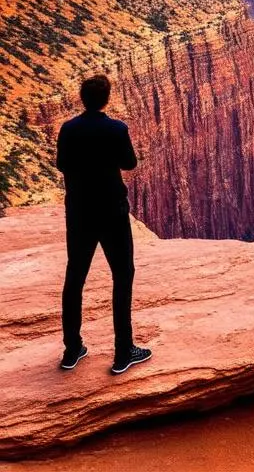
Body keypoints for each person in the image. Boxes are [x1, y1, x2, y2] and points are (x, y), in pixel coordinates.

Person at [55, 74, 152, 375]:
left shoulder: (68, 129)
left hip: (80, 211)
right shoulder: (116, 129)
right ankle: (123, 352)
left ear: (82, 99)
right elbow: (130, 163)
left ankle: (72, 349)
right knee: (122, 275)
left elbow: (61, 164)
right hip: (111, 210)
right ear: (106, 99)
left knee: (75, 277)